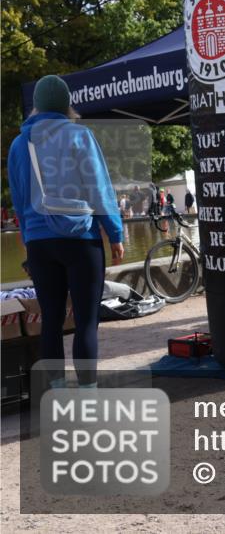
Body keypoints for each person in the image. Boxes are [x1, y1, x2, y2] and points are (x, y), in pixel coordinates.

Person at [6, 75, 124, 388]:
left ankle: (57, 395)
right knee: (86, 321)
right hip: (80, 239)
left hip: (40, 244)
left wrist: (28, 236)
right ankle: (87, 394)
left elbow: (18, 197)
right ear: (66, 105)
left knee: (51, 322)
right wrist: (115, 233)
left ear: (36, 107)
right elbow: (98, 188)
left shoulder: (19, 144)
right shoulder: (78, 136)